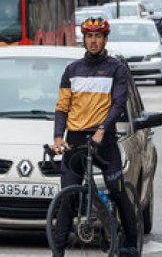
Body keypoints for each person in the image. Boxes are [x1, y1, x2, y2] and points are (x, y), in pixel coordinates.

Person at [49, 18, 140, 257]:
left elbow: (118, 104)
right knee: (68, 196)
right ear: (84, 39)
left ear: (105, 39)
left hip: (104, 140)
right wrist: (58, 137)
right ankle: (58, 251)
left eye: (98, 36)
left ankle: (131, 244)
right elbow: (62, 107)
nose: (93, 41)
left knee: (116, 190)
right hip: (76, 139)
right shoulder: (72, 70)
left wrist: (101, 130)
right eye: (89, 36)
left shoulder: (116, 69)